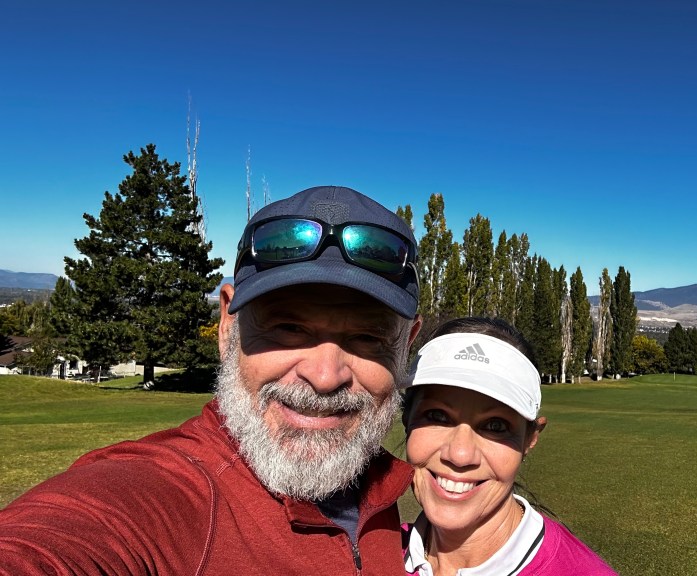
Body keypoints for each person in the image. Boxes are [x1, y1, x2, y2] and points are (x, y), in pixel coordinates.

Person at [0, 185, 423, 575]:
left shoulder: (383, 485)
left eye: (368, 338)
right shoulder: (168, 495)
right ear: (228, 327)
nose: (325, 376)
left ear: (407, 346)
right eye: (288, 328)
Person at [401, 317, 617, 575]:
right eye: (437, 416)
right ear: (407, 420)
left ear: (530, 439)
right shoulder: (372, 551)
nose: (459, 455)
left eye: (495, 426)